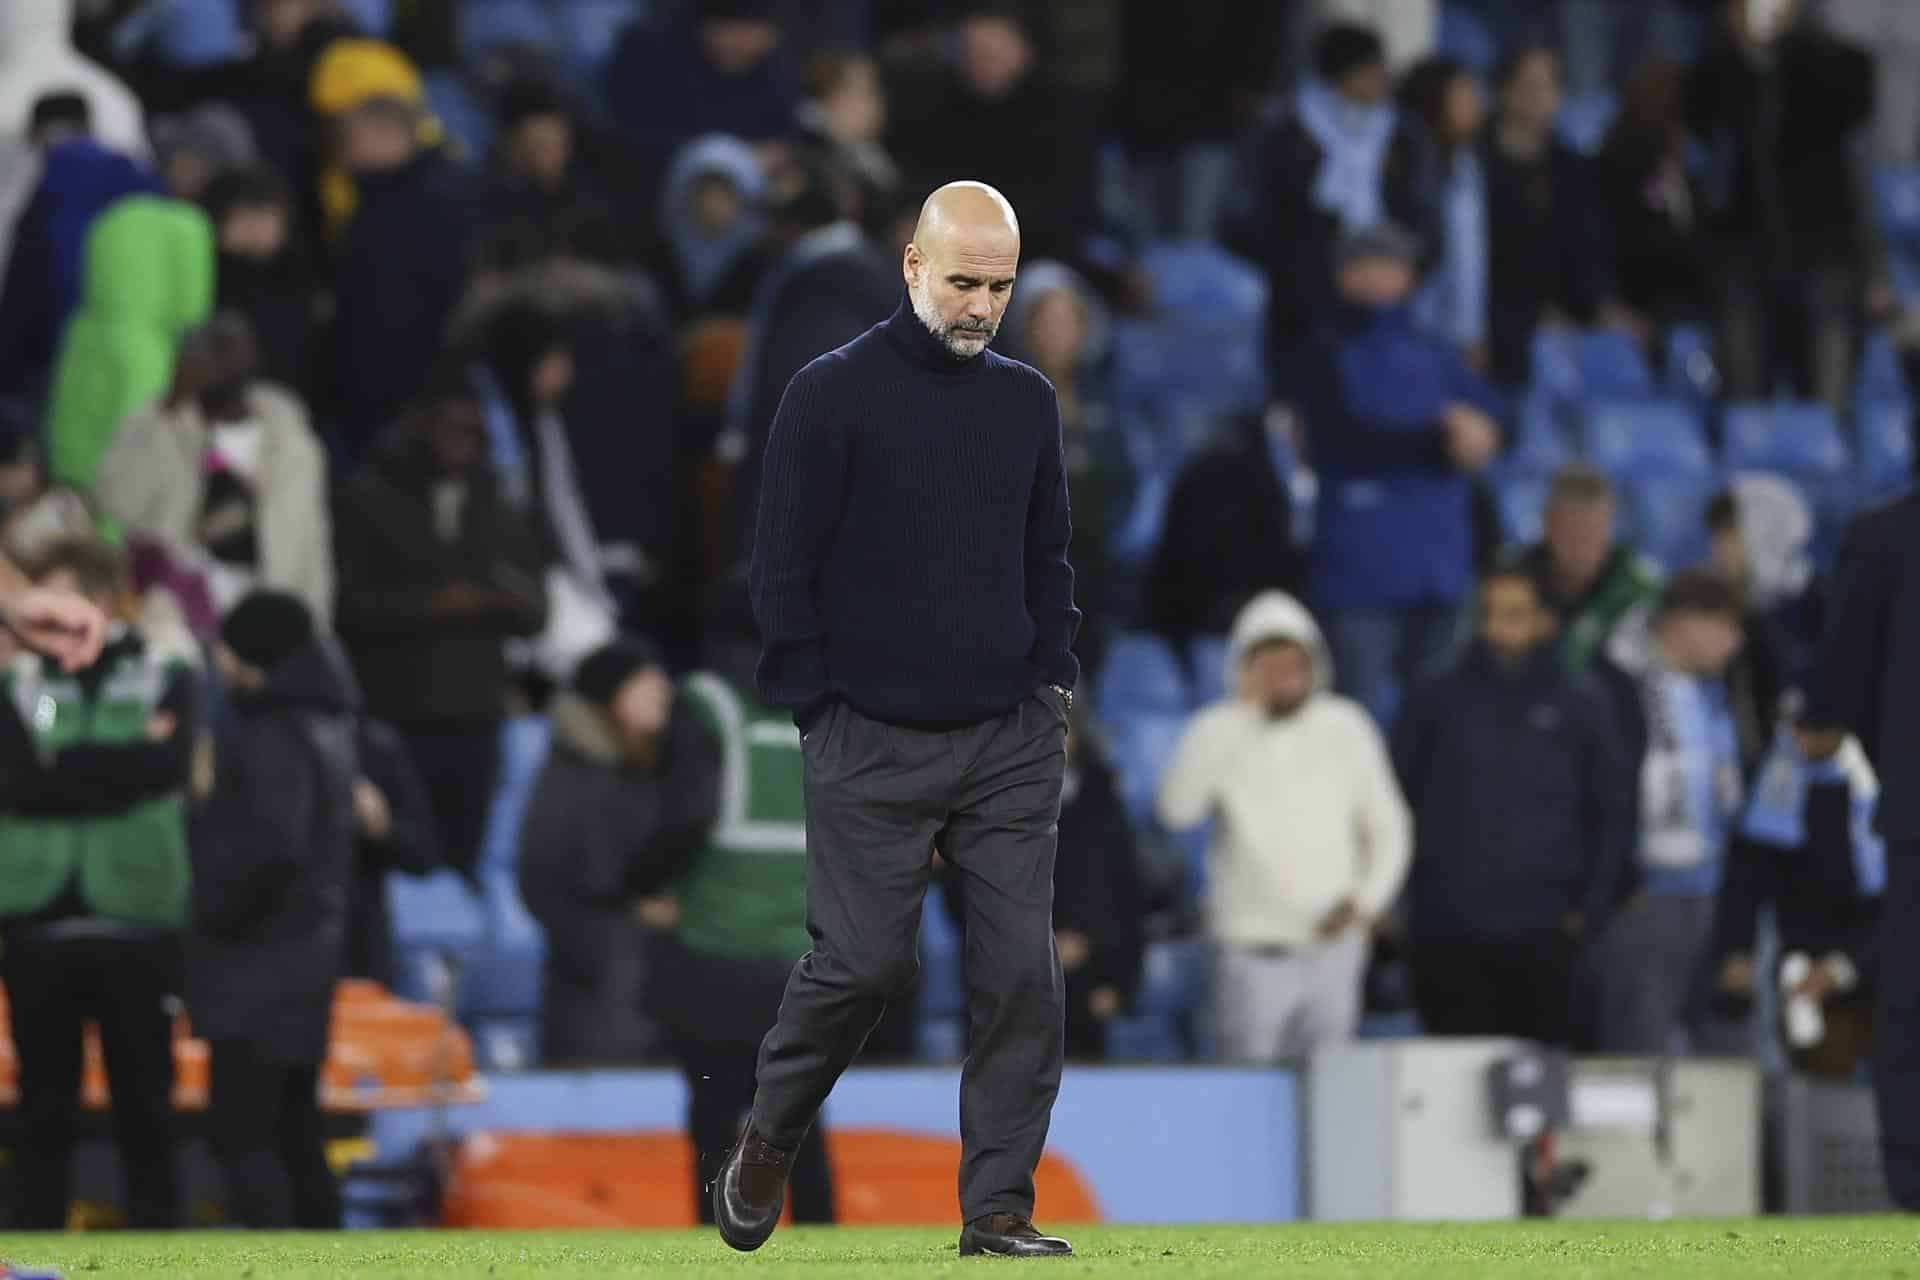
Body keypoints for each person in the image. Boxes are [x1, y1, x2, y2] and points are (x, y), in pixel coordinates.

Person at [717, 182, 1077, 1259]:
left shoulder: (1026, 404)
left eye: (1001, 286)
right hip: (866, 729)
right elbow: (780, 564)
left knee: (1022, 971)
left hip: (1007, 731)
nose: (981, 305)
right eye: (964, 280)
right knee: (864, 966)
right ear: (912, 265)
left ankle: (997, 1211)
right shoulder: (828, 394)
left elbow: (1050, 555)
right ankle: (768, 1133)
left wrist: (1052, 682)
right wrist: (818, 705)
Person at [0, 538, 197, 1230]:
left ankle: (156, 1265)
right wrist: (119, 763)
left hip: (137, 917)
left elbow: (163, 768)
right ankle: (32, 1262)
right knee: (40, 1110)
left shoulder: (165, 671)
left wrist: (57, 771)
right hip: (35, 920)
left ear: (104, 603)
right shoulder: (17, 683)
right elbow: (14, 779)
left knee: (145, 1106)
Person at [1159, 591, 1411, 1063]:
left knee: (1334, 1091)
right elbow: (1177, 810)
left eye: (1294, 663)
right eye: (1269, 664)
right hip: (1249, 954)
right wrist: (1239, 717)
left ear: (1315, 663)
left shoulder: (1346, 726)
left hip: (1334, 949)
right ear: (1244, 667)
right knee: (1247, 1092)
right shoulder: (1217, 729)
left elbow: (1390, 828)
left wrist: (1365, 903)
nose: (1284, 677)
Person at [650, 583, 834, 1220]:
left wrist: (641, 881)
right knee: (801, 1120)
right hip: (800, 959)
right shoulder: (814, 710)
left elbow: (686, 815)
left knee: (713, 1111)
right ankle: (823, 1252)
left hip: (714, 948)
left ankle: (717, 1240)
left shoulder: (705, 705)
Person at [1396, 558, 1635, 1046]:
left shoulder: (1584, 702)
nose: (1496, 627)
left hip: (1547, 930)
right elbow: (1399, 799)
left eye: (1514, 613)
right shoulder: (1433, 699)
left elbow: (1611, 810)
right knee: (1452, 1084)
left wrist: (1589, 907)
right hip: (1450, 930)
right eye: (1488, 613)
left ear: (1545, 621)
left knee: (1538, 1093)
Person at [333, 370, 547, 876]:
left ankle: (454, 954)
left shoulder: (500, 507)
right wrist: (433, 607)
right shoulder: (366, 499)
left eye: (473, 433)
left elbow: (539, 613)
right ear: (417, 426)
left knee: (462, 862)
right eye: (449, 429)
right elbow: (347, 608)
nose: (462, 444)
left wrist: (498, 603)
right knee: (389, 859)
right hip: (395, 717)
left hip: (476, 718)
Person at [188, 590, 356, 1229]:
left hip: (259, 964)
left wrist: (211, 912)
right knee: (294, 1133)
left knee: (248, 1136)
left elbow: (270, 847)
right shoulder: (327, 724)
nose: (219, 660)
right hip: (302, 959)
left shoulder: (271, 731)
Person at [1301, 221, 1503, 725]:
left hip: (1437, 561)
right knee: (1356, 721)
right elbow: (1343, 436)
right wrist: (1442, 437)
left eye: (1392, 265)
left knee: (1436, 723)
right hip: (1361, 568)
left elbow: (1497, 414)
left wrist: (1486, 431)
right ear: (1344, 274)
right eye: (1368, 264)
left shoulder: (1436, 350)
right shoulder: (1322, 350)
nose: (1382, 277)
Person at [518, 638, 721, 1065]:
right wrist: (638, 907)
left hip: (641, 973)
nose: (661, 692)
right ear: (609, 697)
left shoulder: (650, 768)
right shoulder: (576, 777)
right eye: (644, 685)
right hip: (602, 983)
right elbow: (564, 876)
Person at [1800, 484, 1920, 1206]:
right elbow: (1841, 690)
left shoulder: (1882, 537)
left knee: (1912, 1015)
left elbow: (1841, 692)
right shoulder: (1881, 537)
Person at [1687, 0, 1879, 412]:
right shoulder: (1723, 62)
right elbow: (1701, 114)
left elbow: (1853, 103)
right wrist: (1744, 49)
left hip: (1823, 248)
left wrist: (1792, 39)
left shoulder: (1836, 58)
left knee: (1828, 396)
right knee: (1745, 392)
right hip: (1746, 249)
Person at [1587, 569, 1747, 1056]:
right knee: (1638, 1045)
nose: (1735, 642)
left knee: (1732, 1049)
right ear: (1685, 622)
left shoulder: (1718, 690)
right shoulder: (1616, 685)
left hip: (1716, 891)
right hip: (1647, 895)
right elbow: (1600, 793)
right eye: (1725, 626)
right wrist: (1619, 879)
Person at [95, 312, 334, 623]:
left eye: (230, 350)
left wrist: (315, 628)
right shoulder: (164, 423)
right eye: (210, 351)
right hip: (175, 616)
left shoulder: (292, 444)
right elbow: (115, 502)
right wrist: (167, 410)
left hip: (265, 621)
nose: (222, 361)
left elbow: (312, 551)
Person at [1223, 21, 1424, 388]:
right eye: (1369, 70)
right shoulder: (1282, 129)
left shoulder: (1401, 135)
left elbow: (1423, 214)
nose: (1380, 80)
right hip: (1302, 297)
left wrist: (1396, 267)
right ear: (1341, 74)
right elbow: (1244, 216)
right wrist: (1301, 264)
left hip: (1385, 288)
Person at [1715, 715, 1884, 1080]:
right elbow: (1750, 872)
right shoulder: (1780, 776)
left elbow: (1897, 902)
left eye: (1812, 730)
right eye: (1795, 729)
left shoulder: (1878, 775)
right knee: (1821, 1092)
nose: (1800, 741)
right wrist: (1737, 948)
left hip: (1880, 962)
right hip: (1806, 971)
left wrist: (1842, 969)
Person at [328, 94, 480, 458]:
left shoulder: (438, 199)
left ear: (391, 134)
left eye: (351, 139)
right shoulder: (372, 202)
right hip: (373, 395)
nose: (341, 152)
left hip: (422, 395)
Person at [888, 5, 1099, 268]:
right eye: (971, 54)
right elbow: (915, 181)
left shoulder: (1062, 113)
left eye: (990, 55)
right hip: (949, 260)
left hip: (1040, 257)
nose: (979, 64)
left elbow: (1068, 205)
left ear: (1025, 50)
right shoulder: (939, 110)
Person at [0, 92, 160, 401]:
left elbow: (27, 285)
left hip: (53, 348)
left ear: (43, 132)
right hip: (132, 347)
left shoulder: (48, 185)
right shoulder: (141, 181)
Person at [1482, 46, 1610, 388]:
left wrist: (1586, 307)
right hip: (1490, 322)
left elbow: (1584, 250)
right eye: (1528, 84)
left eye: (1548, 85)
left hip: (1562, 317)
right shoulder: (1475, 164)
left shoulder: (1574, 169)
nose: (1538, 96)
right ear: (1505, 90)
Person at [603, 0, 800, 184]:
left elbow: (784, 138)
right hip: (646, 188)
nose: (747, 43)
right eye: (736, 31)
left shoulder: (771, 69)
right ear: (709, 25)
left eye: (758, 33)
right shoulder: (647, 49)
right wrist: (733, 160)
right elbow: (629, 137)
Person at [1520, 463, 1663, 675]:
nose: (1581, 546)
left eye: (1593, 532)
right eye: (1570, 531)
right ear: (1547, 526)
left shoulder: (1641, 588)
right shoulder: (1511, 580)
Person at [201, 166, 322, 400]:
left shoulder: (302, 276)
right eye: (243, 216)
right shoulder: (207, 278)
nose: (255, 227)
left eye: (265, 215)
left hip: (293, 402)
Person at [1399, 57, 1489, 366]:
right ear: (1436, 100)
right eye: (1465, 96)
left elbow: (1470, 260)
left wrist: (1470, 332)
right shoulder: (1410, 165)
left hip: (1453, 330)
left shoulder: (1466, 162)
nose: (1476, 105)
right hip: (1415, 321)